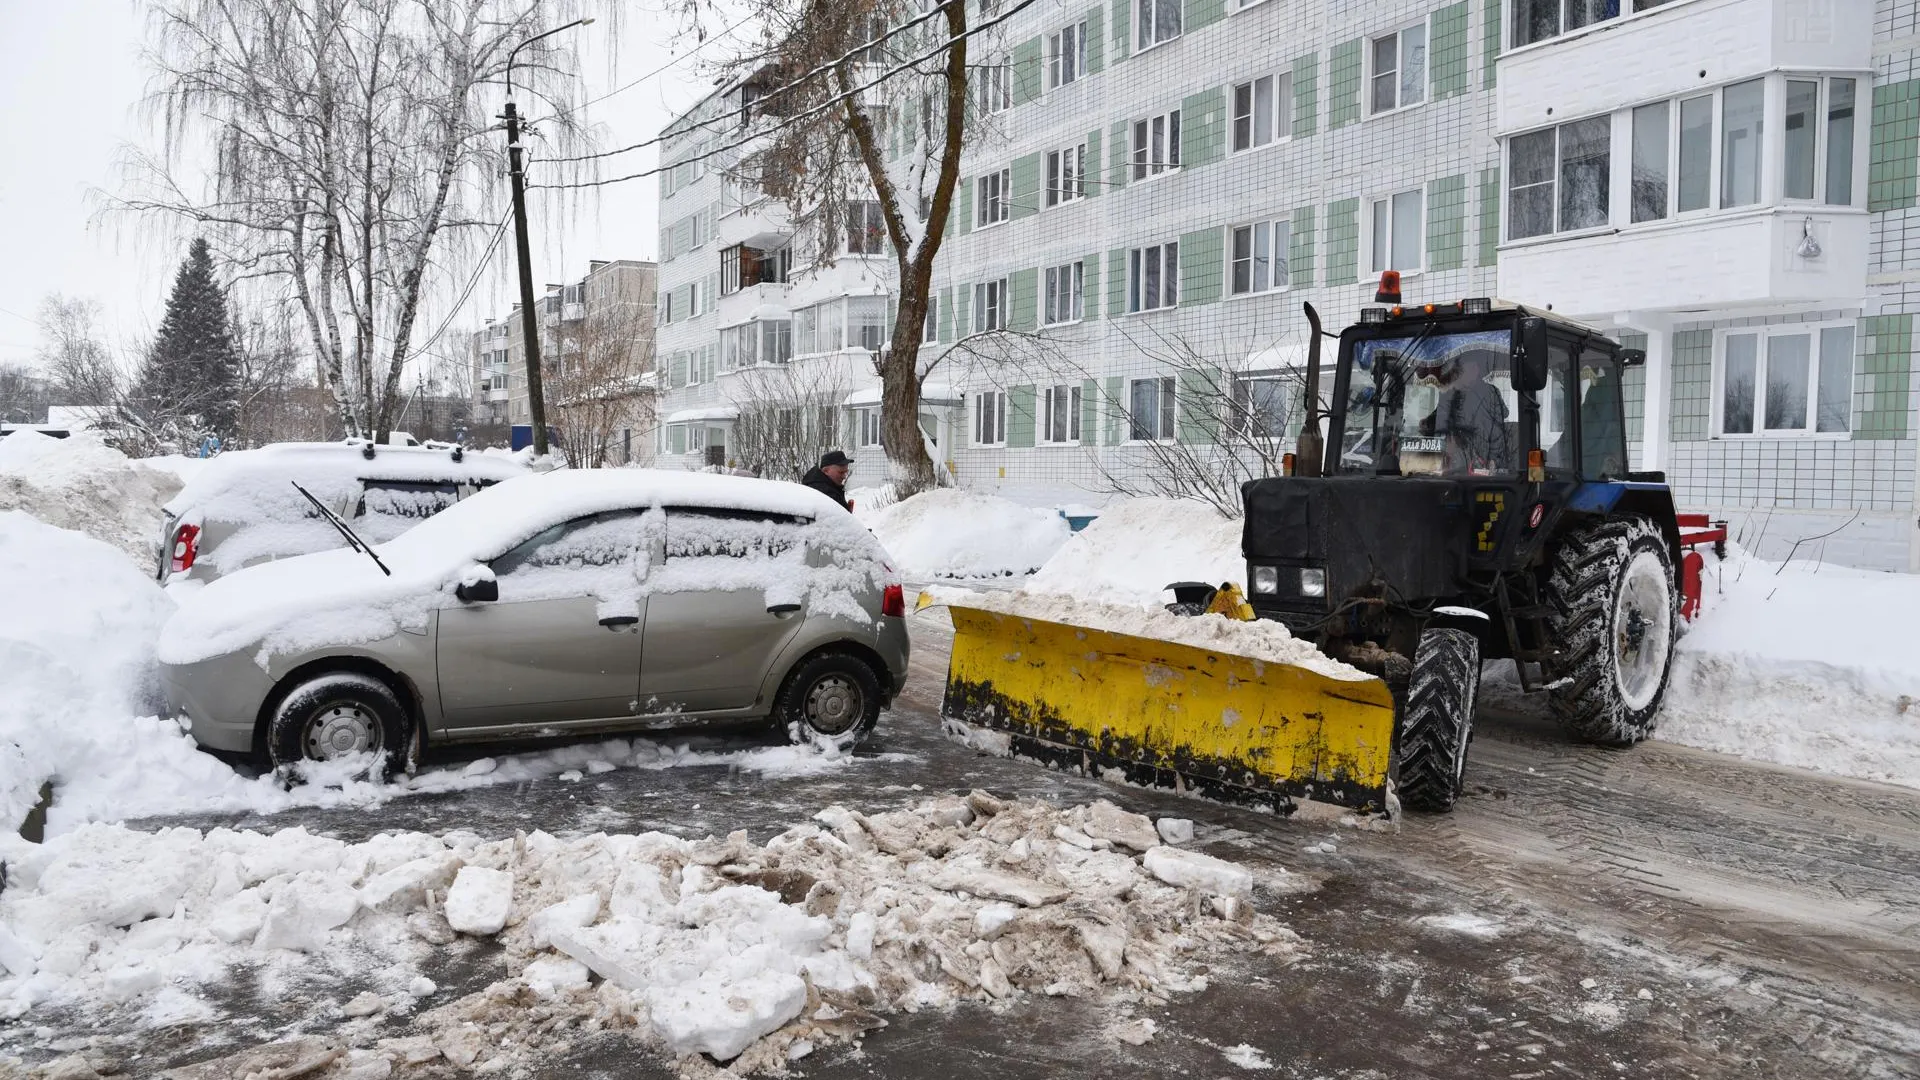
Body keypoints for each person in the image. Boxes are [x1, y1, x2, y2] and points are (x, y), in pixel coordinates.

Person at [1417, 347, 1510, 474]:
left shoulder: (1489, 393)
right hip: (1449, 463)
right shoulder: (1449, 393)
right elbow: (1441, 415)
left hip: (1479, 461)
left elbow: (1497, 432)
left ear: (1475, 370)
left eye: (1460, 370)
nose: (1456, 375)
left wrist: (1493, 461)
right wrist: (1428, 423)